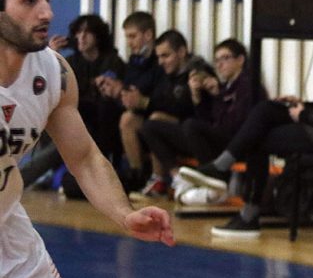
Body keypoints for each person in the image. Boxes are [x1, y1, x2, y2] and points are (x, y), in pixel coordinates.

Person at [0, 0, 174, 278]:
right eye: (29, 0)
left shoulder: (53, 73)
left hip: (6, 228)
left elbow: (85, 157)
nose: (46, 13)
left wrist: (124, 213)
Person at [179, 0, 313, 238]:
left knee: (259, 138)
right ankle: (224, 170)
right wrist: (302, 104)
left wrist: (304, 114)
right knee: (267, 109)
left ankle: (244, 206)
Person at [141, 38, 266, 205]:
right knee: (151, 127)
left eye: (225, 58)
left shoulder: (248, 86)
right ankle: (177, 176)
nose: (220, 64)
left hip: (234, 143)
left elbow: (233, 124)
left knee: (191, 126)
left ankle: (213, 178)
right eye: (217, 60)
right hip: (213, 138)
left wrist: (218, 96)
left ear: (240, 60)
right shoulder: (224, 86)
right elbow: (207, 120)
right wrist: (197, 97)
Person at [20, 13, 127, 191]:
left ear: (98, 36)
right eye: (78, 32)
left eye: (87, 32)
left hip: (97, 124)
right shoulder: (70, 61)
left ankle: (23, 178)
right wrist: (51, 57)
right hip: (71, 118)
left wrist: (87, 86)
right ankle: (42, 173)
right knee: (46, 116)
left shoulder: (113, 61)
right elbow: (48, 86)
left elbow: (105, 96)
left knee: (67, 136)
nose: (81, 37)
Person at [128, 29, 205, 198]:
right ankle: (139, 177)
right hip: (179, 129)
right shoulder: (165, 74)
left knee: (154, 122)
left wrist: (146, 103)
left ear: (182, 52)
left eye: (166, 56)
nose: (161, 61)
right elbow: (158, 99)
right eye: (159, 57)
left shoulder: (199, 73)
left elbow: (187, 109)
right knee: (129, 120)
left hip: (198, 133)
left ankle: (165, 179)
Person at [96, 11, 164, 191]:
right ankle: (125, 171)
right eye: (127, 37)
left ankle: (146, 176)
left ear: (148, 35)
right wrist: (117, 91)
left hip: (157, 114)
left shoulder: (160, 61)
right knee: (107, 108)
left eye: (133, 36)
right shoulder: (134, 61)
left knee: (129, 119)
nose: (129, 42)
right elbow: (130, 92)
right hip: (140, 113)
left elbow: (161, 96)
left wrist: (141, 100)